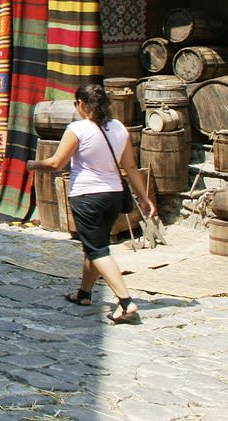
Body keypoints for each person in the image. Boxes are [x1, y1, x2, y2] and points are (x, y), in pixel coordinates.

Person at [28, 82, 155, 324]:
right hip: (114, 196)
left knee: (98, 250)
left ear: (82, 105)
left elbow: (57, 162)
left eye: (77, 104)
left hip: (87, 196)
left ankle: (125, 301)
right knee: (94, 245)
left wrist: (33, 164)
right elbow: (129, 166)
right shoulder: (119, 128)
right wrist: (144, 197)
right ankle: (84, 293)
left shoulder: (77, 129)